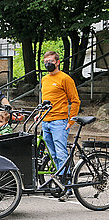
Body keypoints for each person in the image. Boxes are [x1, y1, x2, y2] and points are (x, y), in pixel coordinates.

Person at [40, 51, 80, 202]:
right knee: (53, 155)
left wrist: (71, 121)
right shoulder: (44, 79)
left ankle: (67, 186)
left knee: (62, 154)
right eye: (46, 61)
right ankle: (59, 183)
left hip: (59, 122)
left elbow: (75, 100)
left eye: (50, 61)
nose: (47, 64)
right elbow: (45, 99)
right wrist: (40, 114)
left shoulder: (65, 78)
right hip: (46, 121)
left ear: (57, 62)